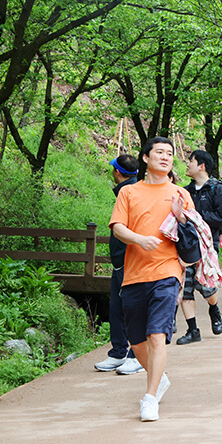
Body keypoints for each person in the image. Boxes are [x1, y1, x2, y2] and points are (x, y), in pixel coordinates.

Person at [109, 137, 194, 422]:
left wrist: (182, 219)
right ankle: (159, 378)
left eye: (170, 153)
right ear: (145, 158)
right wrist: (139, 239)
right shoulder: (129, 193)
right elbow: (118, 228)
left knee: (157, 334)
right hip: (134, 274)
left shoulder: (180, 194)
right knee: (137, 342)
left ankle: (149, 398)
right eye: (160, 152)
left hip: (167, 272)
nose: (166, 157)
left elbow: (194, 239)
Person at [174, 150, 222, 345]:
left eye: (191, 161)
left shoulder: (217, 190)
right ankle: (192, 330)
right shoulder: (184, 191)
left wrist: (195, 216)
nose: (187, 164)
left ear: (202, 166)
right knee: (186, 286)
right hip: (187, 244)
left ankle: (214, 309)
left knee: (207, 287)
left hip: (207, 245)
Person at [95, 155, 145, 375]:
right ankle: (118, 353)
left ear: (117, 172)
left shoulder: (133, 193)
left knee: (132, 309)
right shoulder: (125, 192)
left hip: (131, 260)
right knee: (116, 308)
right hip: (119, 262)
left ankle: (137, 356)